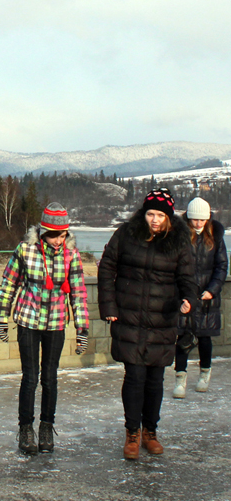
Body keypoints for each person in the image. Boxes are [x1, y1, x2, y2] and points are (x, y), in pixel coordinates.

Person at [98, 188, 197, 460]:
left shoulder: (179, 241)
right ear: (143, 213)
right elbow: (107, 268)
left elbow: (187, 278)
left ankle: (150, 431)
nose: (154, 220)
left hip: (162, 320)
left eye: (160, 215)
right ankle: (132, 431)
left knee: (154, 380)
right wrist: (108, 306)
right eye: (150, 214)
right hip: (129, 317)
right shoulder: (126, 234)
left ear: (169, 217)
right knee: (135, 376)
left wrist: (189, 299)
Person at [0, 203, 89, 455]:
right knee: (30, 377)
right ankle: (26, 428)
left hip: (56, 323)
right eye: (53, 235)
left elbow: (78, 294)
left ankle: (47, 426)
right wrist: (2, 318)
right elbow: (8, 285)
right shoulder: (25, 250)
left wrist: (82, 329)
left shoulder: (72, 255)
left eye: (63, 235)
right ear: (43, 231)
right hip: (28, 321)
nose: (59, 240)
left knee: (49, 378)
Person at [173, 197, 227, 398]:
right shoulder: (180, 236)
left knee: (204, 338)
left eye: (202, 220)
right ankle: (180, 378)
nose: (198, 224)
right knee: (182, 337)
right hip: (185, 296)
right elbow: (174, 266)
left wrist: (212, 289)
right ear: (188, 218)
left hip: (207, 299)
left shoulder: (215, 236)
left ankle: (204, 375)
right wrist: (182, 293)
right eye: (194, 219)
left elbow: (221, 266)